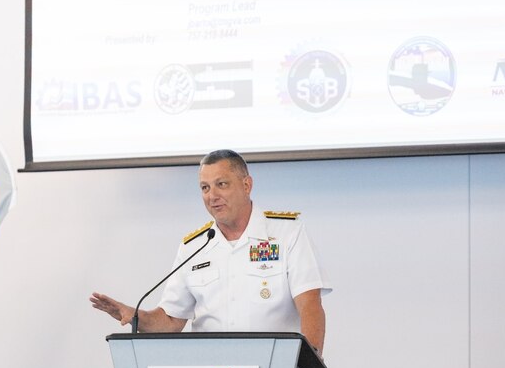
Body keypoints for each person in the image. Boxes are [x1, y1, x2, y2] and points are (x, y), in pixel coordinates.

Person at [90, 149, 330, 353]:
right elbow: (171, 321)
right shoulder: (194, 247)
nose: (212, 196)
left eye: (221, 185)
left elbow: (309, 305)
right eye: (205, 188)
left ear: (247, 185)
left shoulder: (287, 233)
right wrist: (134, 315)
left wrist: (308, 365)